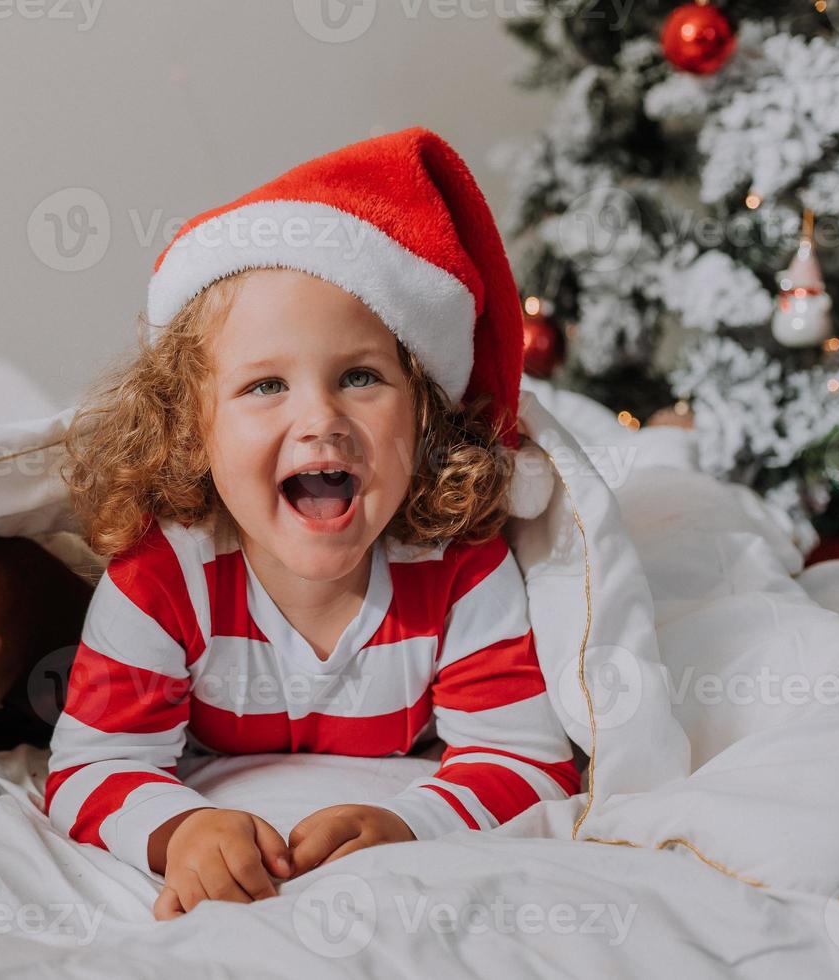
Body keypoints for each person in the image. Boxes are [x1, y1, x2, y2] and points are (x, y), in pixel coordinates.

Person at [45, 127, 576, 920]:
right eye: (265, 386)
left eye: (360, 376)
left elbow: (527, 760)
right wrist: (180, 829)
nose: (319, 419)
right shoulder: (166, 574)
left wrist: (410, 820)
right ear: (192, 427)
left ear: (423, 412)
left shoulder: (458, 566)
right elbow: (93, 764)